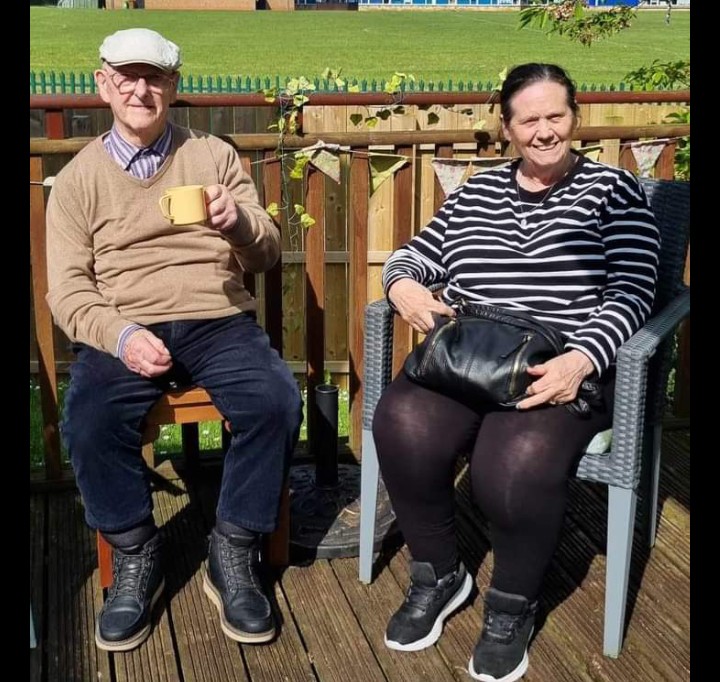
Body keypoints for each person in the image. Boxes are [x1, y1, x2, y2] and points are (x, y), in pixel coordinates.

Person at [373, 63, 660, 681]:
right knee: (399, 423)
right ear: (507, 128)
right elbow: (415, 253)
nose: (545, 131)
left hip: (556, 362)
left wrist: (581, 360)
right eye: (529, 119)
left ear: (574, 118)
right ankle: (438, 574)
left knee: (510, 468)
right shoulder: (477, 191)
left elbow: (635, 290)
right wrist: (401, 287)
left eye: (556, 115)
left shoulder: (615, 190)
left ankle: (510, 607)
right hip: (467, 355)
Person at [45, 28, 303, 652]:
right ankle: (135, 552)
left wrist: (239, 222)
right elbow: (68, 291)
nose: (141, 89)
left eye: (155, 77)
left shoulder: (213, 156)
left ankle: (234, 547)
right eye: (126, 76)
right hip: (125, 323)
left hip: (216, 317)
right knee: (88, 418)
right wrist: (121, 335)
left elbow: (267, 253)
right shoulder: (78, 179)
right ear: (102, 84)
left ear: (174, 86)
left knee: (274, 401)